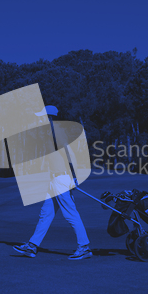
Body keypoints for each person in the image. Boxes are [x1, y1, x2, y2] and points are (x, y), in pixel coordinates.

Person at [13, 108, 92, 260]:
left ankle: (84, 247)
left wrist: (75, 176)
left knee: (70, 214)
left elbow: (70, 153)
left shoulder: (57, 132)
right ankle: (32, 246)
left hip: (61, 180)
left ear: (49, 117)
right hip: (54, 180)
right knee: (46, 214)